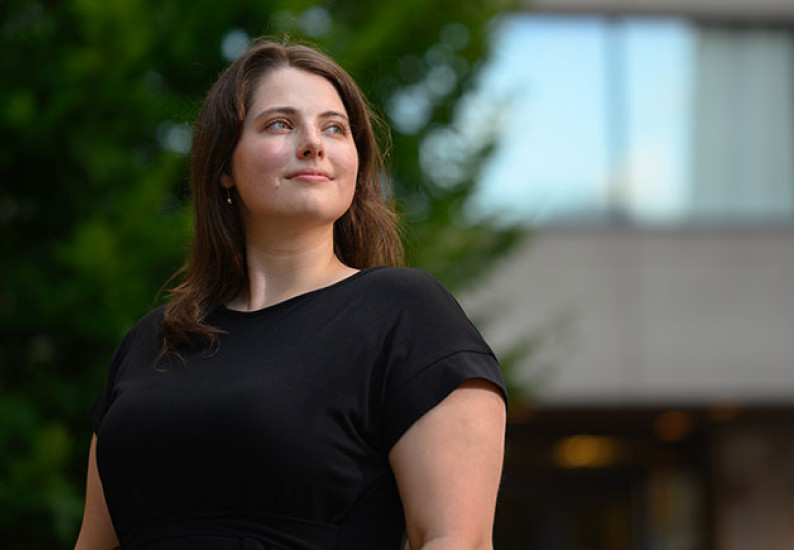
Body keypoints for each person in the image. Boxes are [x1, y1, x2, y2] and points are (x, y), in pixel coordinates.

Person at [75, 38, 507, 550]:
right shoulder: (151, 341)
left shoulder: (404, 313)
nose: (313, 144)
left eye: (334, 127)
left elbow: (457, 540)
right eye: (280, 124)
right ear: (223, 167)